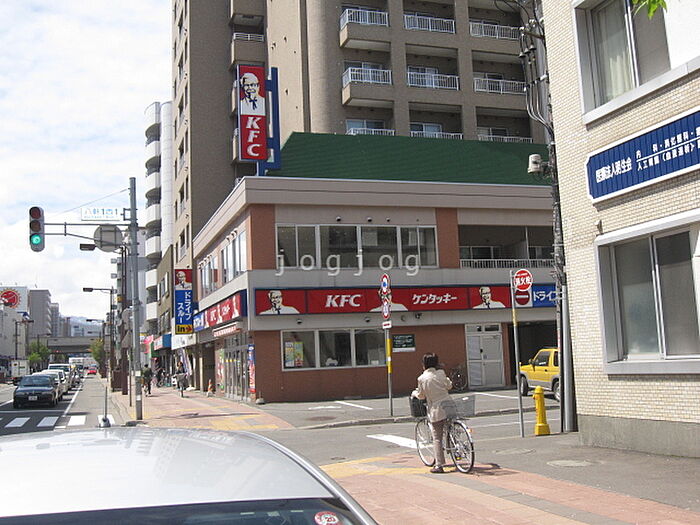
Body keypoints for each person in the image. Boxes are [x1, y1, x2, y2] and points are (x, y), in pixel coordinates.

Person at [412, 353, 452, 474]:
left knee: (437, 437)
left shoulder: (422, 378)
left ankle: (439, 465)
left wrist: (414, 393)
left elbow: (421, 395)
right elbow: (449, 386)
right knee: (450, 427)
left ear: (424, 364)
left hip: (436, 409)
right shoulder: (441, 373)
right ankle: (455, 450)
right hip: (449, 405)